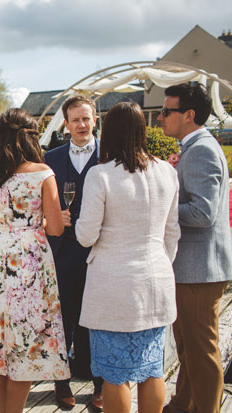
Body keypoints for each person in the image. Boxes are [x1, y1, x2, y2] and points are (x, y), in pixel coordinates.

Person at [75, 102, 181, 413]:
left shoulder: (100, 175)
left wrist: (78, 219)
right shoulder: (167, 172)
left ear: (108, 133)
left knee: (114, 375)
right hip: (156, 280)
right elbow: (172, 233)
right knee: (152, 369)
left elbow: (86, 235)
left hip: (113, 287)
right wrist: (161, 264)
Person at [0, 108, 69, 412]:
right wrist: (33, 224)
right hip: (29, 260)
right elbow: (57, 228)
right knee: (25, 338)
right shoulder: (42, 173)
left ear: (0, 137)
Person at [158, 83, 232, 413]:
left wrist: (158, 208)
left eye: (165, 111)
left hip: (200, 269)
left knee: (202, 351)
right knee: (188, 346)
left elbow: (203, 214)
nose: (160, 118)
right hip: (192, 267)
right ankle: (182, 405)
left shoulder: (201, 149)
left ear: (188, 115)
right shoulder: (193, 148)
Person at [44, 95, 104, 410]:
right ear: (66, 124)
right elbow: (37, 202)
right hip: (63, 249)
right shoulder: (51, 158)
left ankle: (99, 384)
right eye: (75, 120)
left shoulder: (109, 155)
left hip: (99, 250)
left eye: (86, 118)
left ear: (95, 120)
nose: (81, 125)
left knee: (95, 317)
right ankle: (61, 380)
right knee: (62, 316)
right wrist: (50, 217)